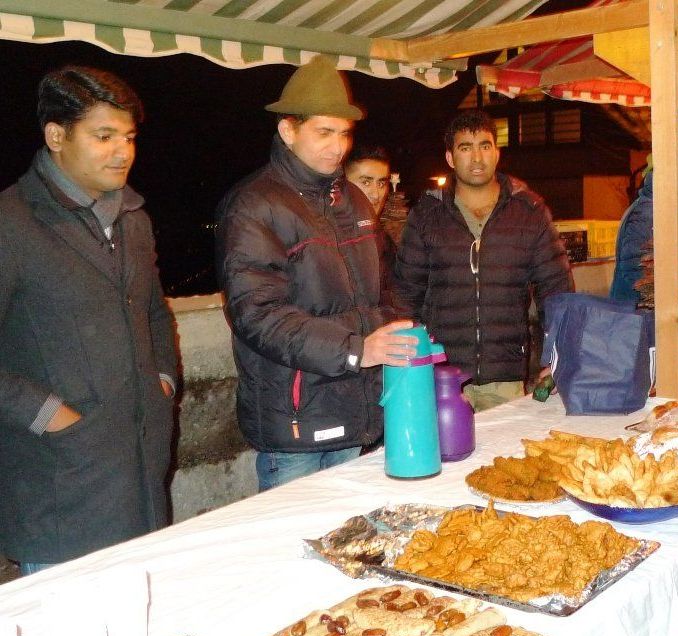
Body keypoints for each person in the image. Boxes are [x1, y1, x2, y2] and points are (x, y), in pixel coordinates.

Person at [0, 66, 178, 573]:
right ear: (56, 135)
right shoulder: (12, 224)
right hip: (59, 479)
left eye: (128, 137)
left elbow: (154, 312)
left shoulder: (133, 219)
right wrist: (49, 415)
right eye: (103, 137)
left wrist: (161, 381)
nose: (123, 151)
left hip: (141, 463)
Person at [216, 57, 416, 492]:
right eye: (323, 132)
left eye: (344, 133)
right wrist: (355, 350)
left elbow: (381, 291)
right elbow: (257, 314)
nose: (338, 147)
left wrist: (396, 326)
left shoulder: (355, 204)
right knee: (291, 548)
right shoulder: (256, 204)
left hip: (354, 412)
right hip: (295, 424)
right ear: (288, 130)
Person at [393, 109, 572, 412]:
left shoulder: (528, 212)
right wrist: (411, 364)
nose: (477, 159)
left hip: (506, 378)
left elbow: (556, 292)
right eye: (466, 148)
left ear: (497, 153)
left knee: (506, 458)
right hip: (441, 376)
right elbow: (406, 296)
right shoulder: (427, 214)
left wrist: (556, 358)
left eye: (485, 146)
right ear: (450, 157)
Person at [609, 163, 678, 305]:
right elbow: (634, 269)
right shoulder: (649, 214)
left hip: (648, 308)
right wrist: (673, 294)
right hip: (633, 310)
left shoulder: (669, 213)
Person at [345, 144, 397, 292]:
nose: (376, 194)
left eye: (381, 183)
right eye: (366, 182)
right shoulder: (325, 239)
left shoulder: (384, 242)